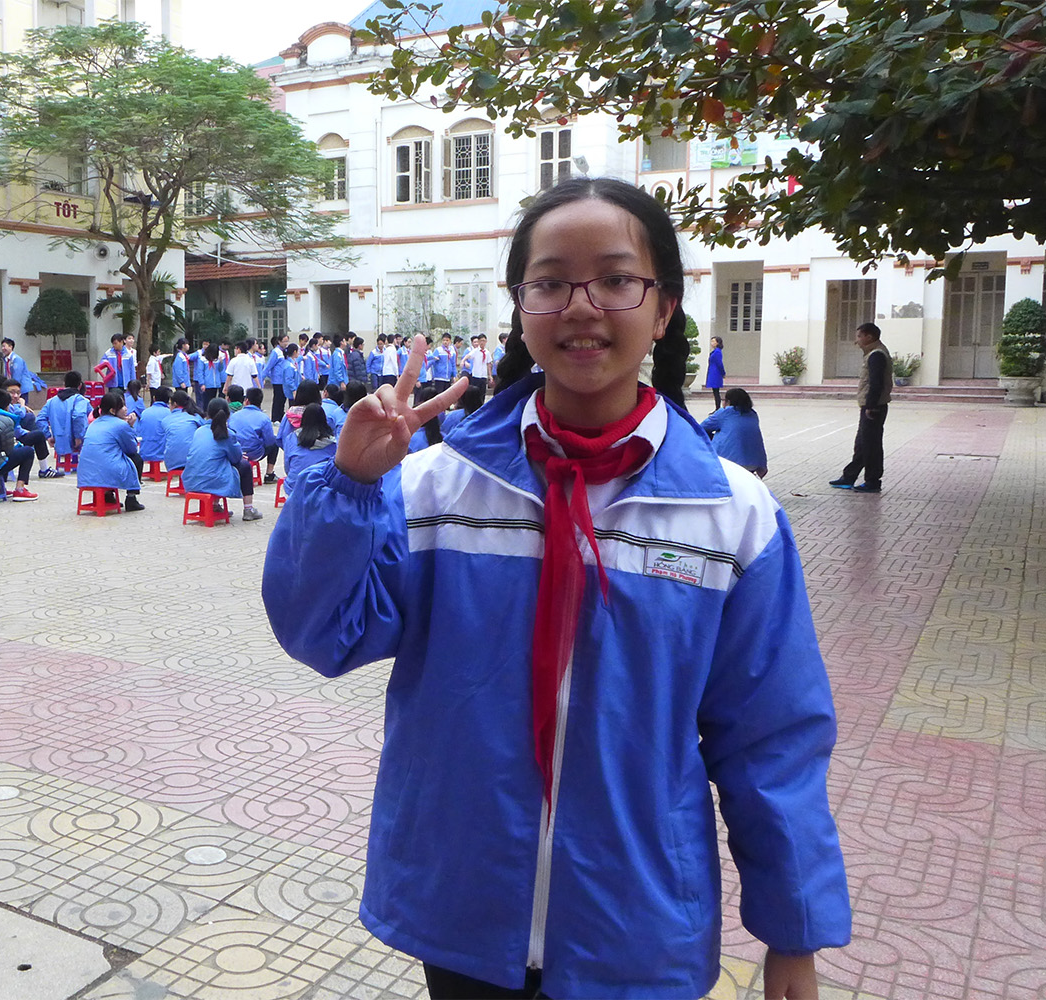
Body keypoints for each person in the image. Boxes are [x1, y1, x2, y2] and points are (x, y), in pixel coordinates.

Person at [262, 177, 849, 1000]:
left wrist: (793, 931)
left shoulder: (729, 513)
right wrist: (350, 489)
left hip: (636, 920)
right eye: (550, 282)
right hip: (464, 908)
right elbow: (325, 634)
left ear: (663, 308)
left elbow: (771, 737)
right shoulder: (437, 487)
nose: (582, 306)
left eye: (615, 279)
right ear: (520, 304)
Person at [830, 321, 892, 494]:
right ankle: (849, 476)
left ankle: (872, 481)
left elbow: (876, 383)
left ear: (869, 337)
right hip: (871, 406)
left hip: (874, 407)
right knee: (862, 443)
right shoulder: (873, 353)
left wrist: (871, 406)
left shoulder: (876, 355)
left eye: (859, 336)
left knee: (871, 445)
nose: (856, 341)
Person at [184, 398, 261, 521]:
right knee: (245, 466)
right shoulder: (228, 434)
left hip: (191, 480)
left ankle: (215, 505)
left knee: (216, 463)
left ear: (207, 413)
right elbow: (236, 459)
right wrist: (240, 455)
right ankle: (248, 509)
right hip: (214, 481)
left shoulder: (199, 431)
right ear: (228, 415)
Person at [78, 389, 145, 512]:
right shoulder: (121, 425)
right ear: (112, 411)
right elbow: (131, 449)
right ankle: (131, 498)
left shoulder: (93, 423)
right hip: (107, 471)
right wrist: (130, 427)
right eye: (122, 406)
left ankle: (108, 495)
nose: (126, 409)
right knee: (137, 459)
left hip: (85, 472)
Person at [701, 387, 768, 478]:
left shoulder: (724, 413)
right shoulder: (753, 414)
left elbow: (701, 428)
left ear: (728, 401)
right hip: (755, 463)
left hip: (730, 462)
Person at [279, 401, 336, 482]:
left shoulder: (291, 437)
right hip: (319, 487)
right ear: (324, 419)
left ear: (304, 418)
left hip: (294, 484)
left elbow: (287, 467)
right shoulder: (332, 443)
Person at [44, 371, 92, 466]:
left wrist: (48, 436)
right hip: (77, 442)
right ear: (80, 385)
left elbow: (40, 419)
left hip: (58, 441)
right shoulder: (81, 400)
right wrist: (78, 437)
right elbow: (79, 417)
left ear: (64, 384)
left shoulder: (51, 401)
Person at [230, 385, 278, 476]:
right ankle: (269, 474)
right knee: (275, 442)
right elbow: (269, 441)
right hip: (254, 453)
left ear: (246, 401)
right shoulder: (264, 418)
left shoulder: (234, 416)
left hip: (236, 451)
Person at [162, 390, 205, 472]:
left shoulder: (166, 420)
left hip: (171, 462)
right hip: (192, 460)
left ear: (174, 404)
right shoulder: (195, 417)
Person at [137, 387, 174, 468]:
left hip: (144, 450)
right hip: (162, 452)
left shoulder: (145, 412)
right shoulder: (169, 413)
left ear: (154, 398)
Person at [705, 335, 726, 410]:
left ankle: (717, 408)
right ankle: (717, 408)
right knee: (715, 392)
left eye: (714, 341)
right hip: (713, 372)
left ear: (718, 343)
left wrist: (723, 373)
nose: (712, 343)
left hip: (716, 373)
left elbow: (719, 363)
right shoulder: (715, 351)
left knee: (716, 392)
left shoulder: (717, 352)